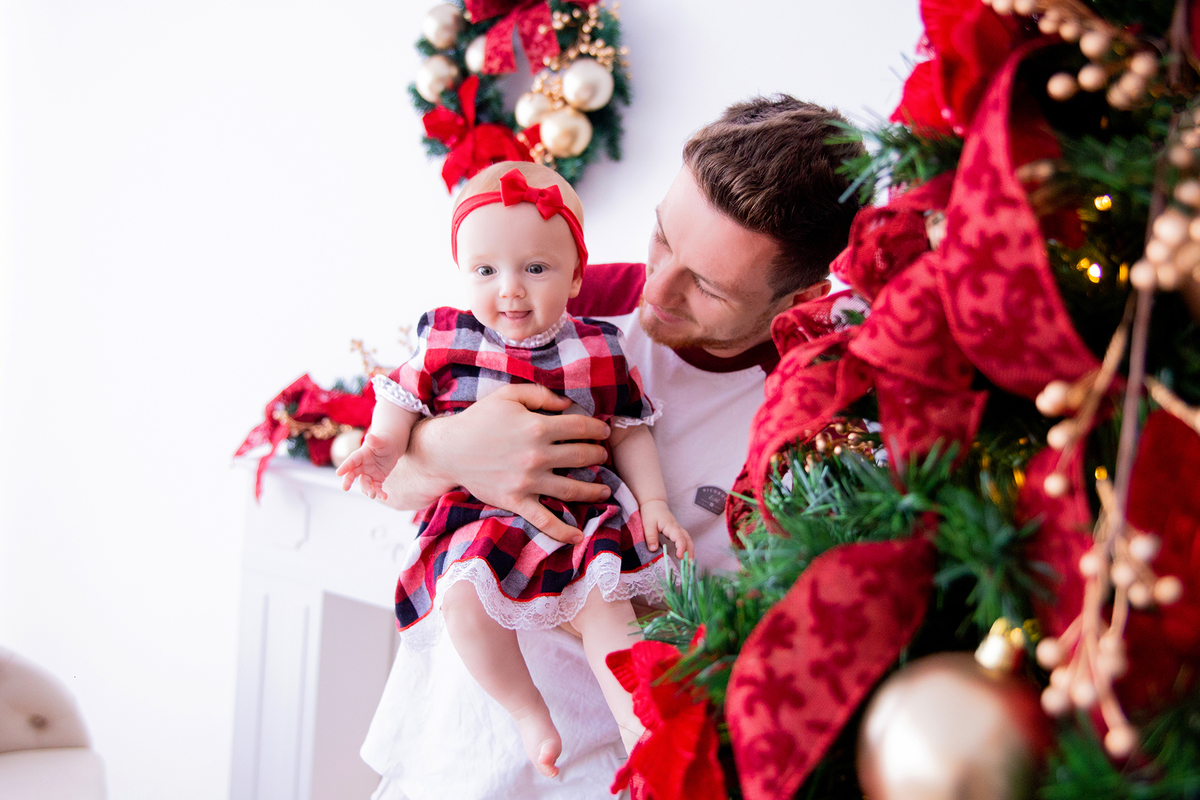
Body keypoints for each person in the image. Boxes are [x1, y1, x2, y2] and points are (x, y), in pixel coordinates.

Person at [361, 95, 865, 800]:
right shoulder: (567, 303)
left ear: (799, 297)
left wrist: (592, 597)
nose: (656, 289)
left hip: (607, 774)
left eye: (707, 286)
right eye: (663, 238)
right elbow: (388, 486)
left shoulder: (820, 422)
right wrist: (452, 451)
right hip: (454, 753)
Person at [338, 161, 694, 778]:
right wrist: (382, 447)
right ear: (461, 272)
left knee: (611, 613)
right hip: (480, 520)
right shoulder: (448, 339)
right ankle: (528, 712)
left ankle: (649, 740)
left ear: (577, 274)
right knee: (463, 603)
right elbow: (401, 395)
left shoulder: (599, 345)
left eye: (535, 268)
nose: (510, 289)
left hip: (579, 521)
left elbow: (630, 426)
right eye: (486, 271)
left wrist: (655, 504)